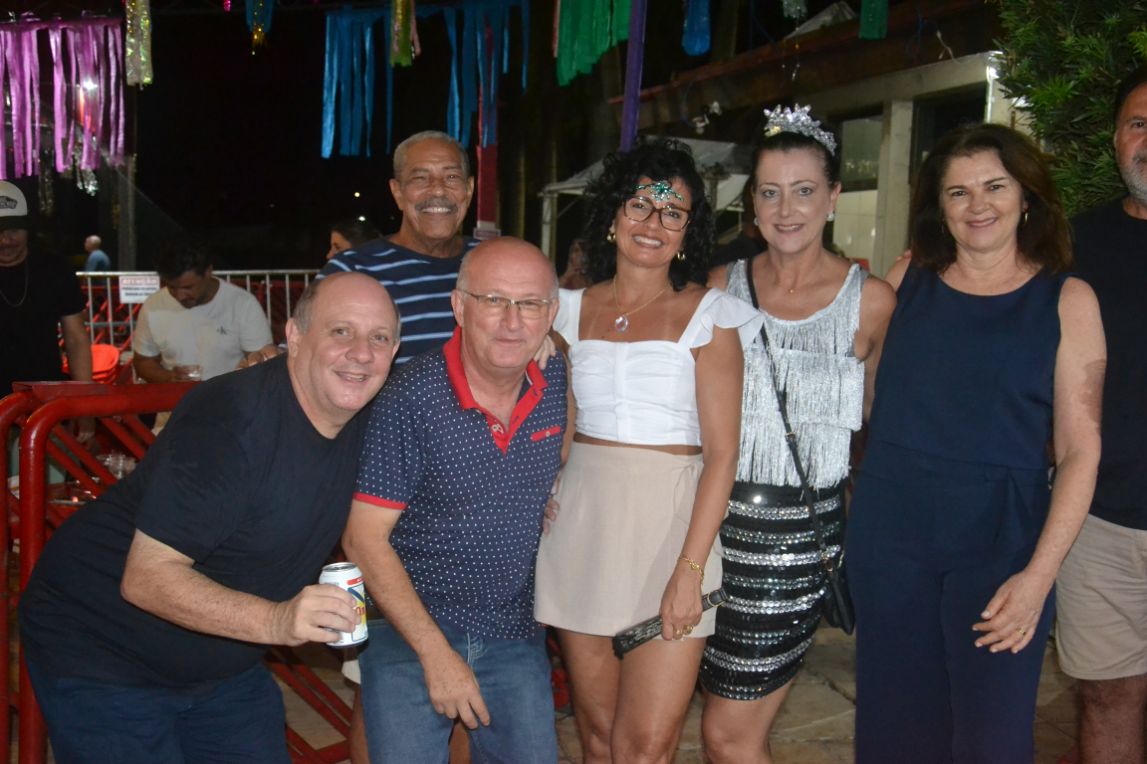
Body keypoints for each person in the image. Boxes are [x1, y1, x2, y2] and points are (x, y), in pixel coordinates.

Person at [18, 272, 402, 763]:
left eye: (379, 338)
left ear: (394, 352)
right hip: (103, 641)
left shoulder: (373, 417)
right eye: (340, 331)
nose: (361, 353)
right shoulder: (231, 419)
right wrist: (278, 619)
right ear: (294, 336)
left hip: (221, 655)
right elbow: (146, 578)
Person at [846, 123, 1105, 762]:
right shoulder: (906, 279)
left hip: (1002, 543)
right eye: (957, 192)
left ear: (1027, 198)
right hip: (892, 535)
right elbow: (871, 401)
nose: (977, 205)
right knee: (895, 734)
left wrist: (1039, 577)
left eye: (995, 186)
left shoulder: (1067, 299)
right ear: (939, 208)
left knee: (992, 741)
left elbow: (1081, 450)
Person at [534, 139, 761, 762]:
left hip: (672, 534)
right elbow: (546, 422)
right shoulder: (564, 311)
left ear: (689, 231)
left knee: (645, 747)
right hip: (582, 531)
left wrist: (691, 571)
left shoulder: (712, 316)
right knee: (598, 737)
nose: (653, 223)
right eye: (640, 205)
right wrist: (538, 490)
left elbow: (723, 456)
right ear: (613, 214)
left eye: (672, 212)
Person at [698, 105, 895, 764]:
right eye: (770, 192)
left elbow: (883, 426)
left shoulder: (871, 301)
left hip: (797, 545)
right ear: (751, 203)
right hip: (704, 530)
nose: (786, 210)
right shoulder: (718, 289)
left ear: (833, 197)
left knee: (728, 734)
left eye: (804, 190)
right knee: (717, 723)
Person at [342, 237, 566, 763]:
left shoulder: (554, 374)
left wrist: (546, 489)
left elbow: (560, 442)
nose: (512, 321)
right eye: (493, 300)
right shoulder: (409, 397)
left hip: (512, 627)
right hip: (409, 627)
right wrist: (435, 654)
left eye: (529, 304)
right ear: (459, 306)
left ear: (551, 313)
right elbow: (362, 538)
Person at [1055, 64, 1147, 764]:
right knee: (1108, 698)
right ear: (1114, 139)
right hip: (1100, 524)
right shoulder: (1071, 246)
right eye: (1138, 123)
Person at [322, 130, 478, 365]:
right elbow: (305, 350)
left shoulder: (495, 265)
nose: (438, 189)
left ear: (469, 189)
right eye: (420, 178)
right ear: (398, 192)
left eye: (452, 177)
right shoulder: (351, 270)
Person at [133, 238, 276, 382]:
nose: (179, 296)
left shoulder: (243, 304)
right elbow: (143, 361)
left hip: (230, 393)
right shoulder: (153, 305)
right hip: (178, 395)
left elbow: (263, 362)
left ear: (208, 272)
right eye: (171, 287)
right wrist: (169, 377)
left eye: (187, 287)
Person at [0, 180, 92, 398]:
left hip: (44, 398)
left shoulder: (54, 268)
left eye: (13, 230)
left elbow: (76, 338)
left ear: (27, 230)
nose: (5, 240)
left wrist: (86, 400)